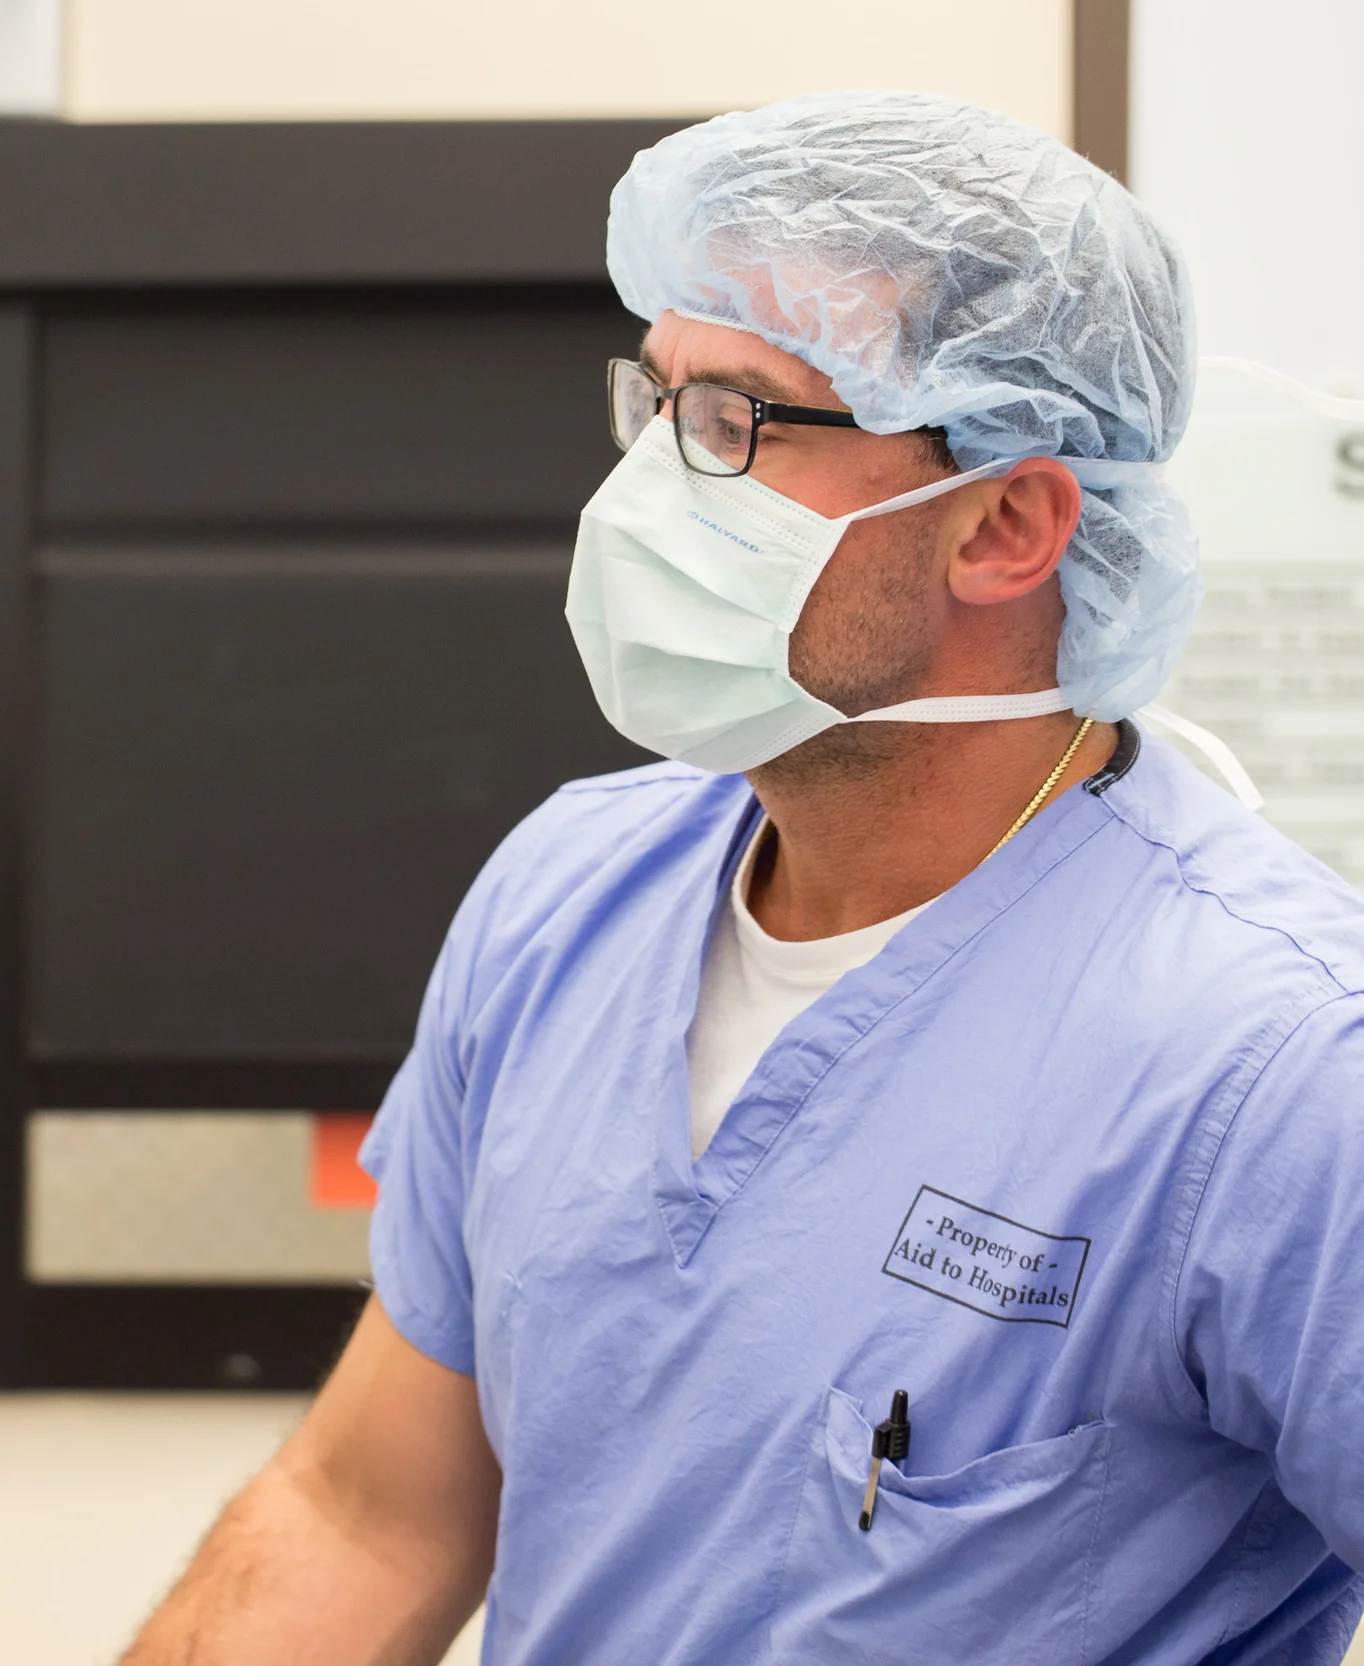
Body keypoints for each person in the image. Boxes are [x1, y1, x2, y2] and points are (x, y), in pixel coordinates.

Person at [119, 91, 1364, 1665]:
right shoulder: (564, 899)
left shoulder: (1277, 1068)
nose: (654, 489)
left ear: (1007, 524)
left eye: (745, 424)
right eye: (663, 402)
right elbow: (370, 1512)